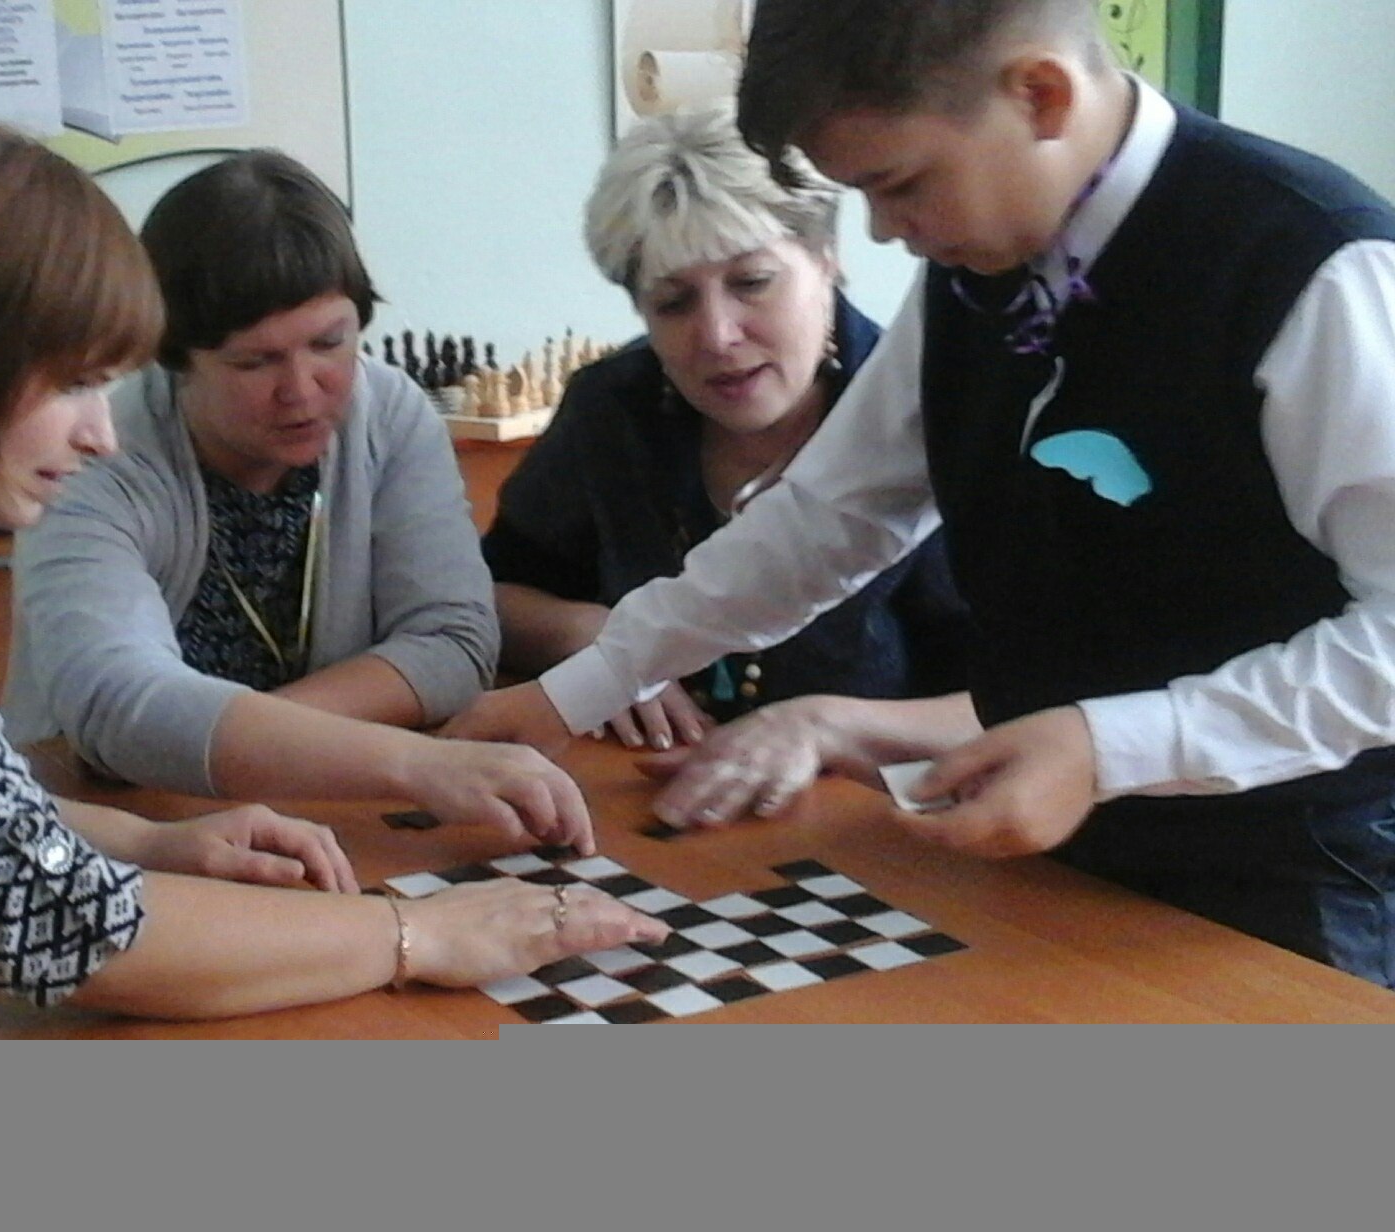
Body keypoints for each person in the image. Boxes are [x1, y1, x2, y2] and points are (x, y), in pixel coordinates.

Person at [446, 0, 1395, 986]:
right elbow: (826, 520)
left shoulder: (1317, 267)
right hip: (1046, 857)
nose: (884, 231)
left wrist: (1113, 745)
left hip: (1288, 883)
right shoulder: (975, 268)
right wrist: (579, 688)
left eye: (899, 185)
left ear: (1039, 95)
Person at [0, 126, 665, 1020]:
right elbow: (31, 913)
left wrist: (144, 841)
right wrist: (413, 933)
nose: (98, 433)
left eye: (330, 343)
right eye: (74, 383)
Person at [1, 149, 591, 849]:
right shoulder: (94, 454)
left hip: (311, 811)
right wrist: (412, 763)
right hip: (108, 830)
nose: (303, 391)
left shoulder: (390, 415)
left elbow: (455, 643)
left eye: (330, 343)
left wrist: (267, 740)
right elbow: (117, 705)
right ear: (174, 355)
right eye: (255, 361)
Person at [477, 105, 973, 822]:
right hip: (632, 805)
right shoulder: (615, 409)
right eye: (674, 302)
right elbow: (485, 598)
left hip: (874, 831)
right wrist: (597, 641)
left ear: (827, 259)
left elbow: (1038, 705)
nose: (716, 334)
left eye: (752, 283)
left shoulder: (931, 417)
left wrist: (825, 726)